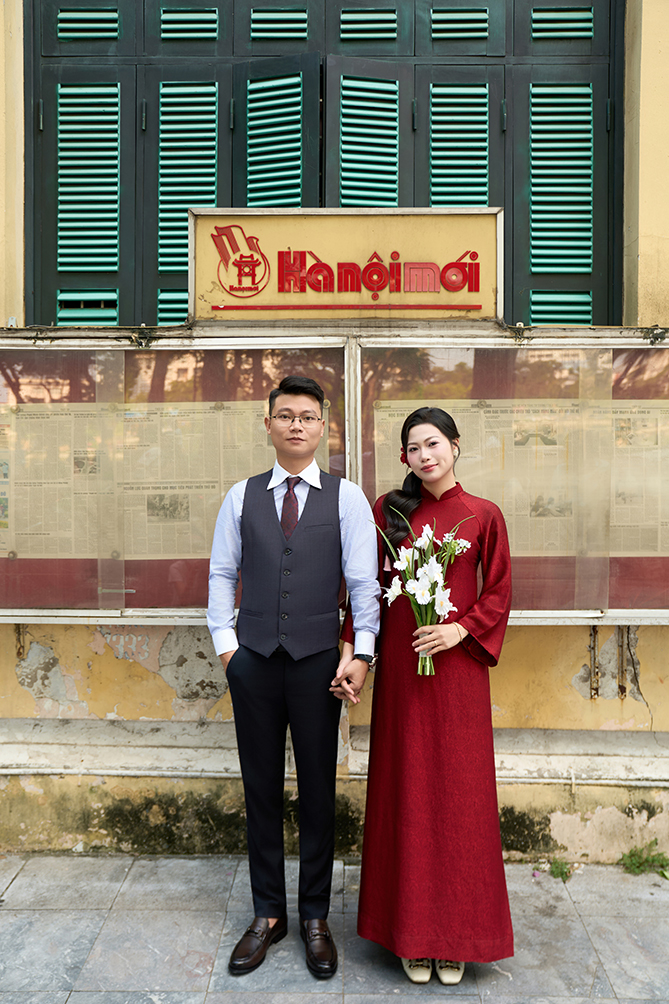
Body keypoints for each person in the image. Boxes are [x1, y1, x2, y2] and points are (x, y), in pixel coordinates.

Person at [207, 375, 380, 979]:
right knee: (259, 787)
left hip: (318, 664)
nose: (297, 425)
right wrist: (228, 650)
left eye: (307, 416)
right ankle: (267, 914)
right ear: (269, 425)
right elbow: (222, 574)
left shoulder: (347, 498)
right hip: (252, 660)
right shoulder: (241, 496)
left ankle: (314, 917)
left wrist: (362, 654)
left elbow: (363, 584)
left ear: (322, 425)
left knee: (317, 791)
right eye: (286, 415)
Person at [334, 406, 513, 986]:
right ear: (404, 457)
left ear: (455, 446)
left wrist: (459, 630)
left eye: (433, 443)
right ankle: (410, 933)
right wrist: (356, 654)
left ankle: (455, 936)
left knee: (460, 797)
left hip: (458, 671)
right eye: (414, 448)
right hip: (406, 670)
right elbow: (366, 587)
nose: (424, 455)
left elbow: (499, 591)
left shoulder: (483, 515)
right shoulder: (390, 511)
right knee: (406, 790)